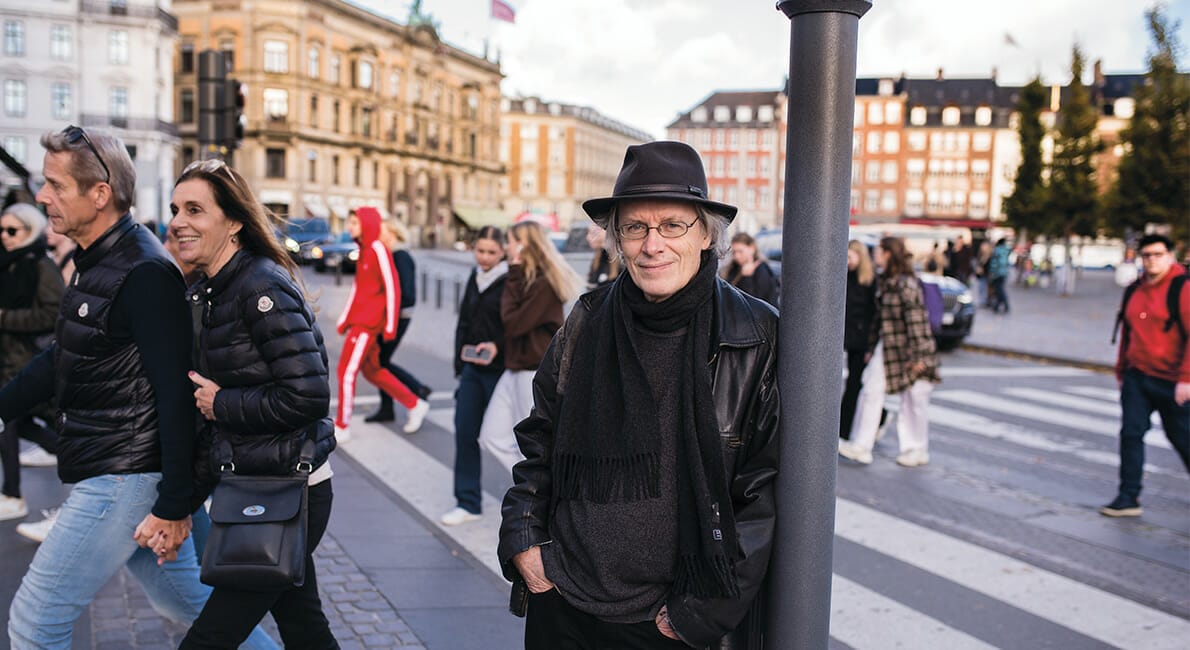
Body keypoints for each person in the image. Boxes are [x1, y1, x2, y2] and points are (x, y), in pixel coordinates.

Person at [498, 141, 779, 649]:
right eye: (635, 227)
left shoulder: (754, 333)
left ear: (706, 235)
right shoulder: (586, 319)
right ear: (618, 240)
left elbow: (764, 492)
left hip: (666, 623)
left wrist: (699, 614)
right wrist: (526, 545)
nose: (653, 244)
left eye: (672, 225)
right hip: (562, 598)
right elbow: (539, 442)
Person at [0, 126, 212, 649]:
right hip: (119, 470)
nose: (42, 196)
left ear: (99, 195)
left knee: (34, 620)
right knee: (187, 606)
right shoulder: (97, 260)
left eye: (55, 185)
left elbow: (175, 391)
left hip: (125, 479)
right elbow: (64, 355)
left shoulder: (143, 271)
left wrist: (174, 502)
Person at [165, 157, 338, 648]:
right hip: (259, 483)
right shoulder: (212, 290)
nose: (179, 221)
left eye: (195, 209)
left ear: (234, 221)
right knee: (304, 626)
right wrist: (182, 503)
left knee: (212, 636)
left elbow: (307, 394)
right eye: (176, 209)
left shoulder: (259, 285)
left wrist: (223, 404)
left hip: (286, 490)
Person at [479, 220, 580, 474]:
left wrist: (512, 274)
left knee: (533, 444)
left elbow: (513, 324)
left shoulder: (543, 283)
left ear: (522, 245)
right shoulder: (526, 278)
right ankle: (534, 486)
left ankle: (538, 496)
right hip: (515, 367)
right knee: (491, 436)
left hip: (534, 372)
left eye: (510, 242)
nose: (507, 247)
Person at [1101, 233, 1189, 517]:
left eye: (1157, 254)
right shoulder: (1134, 289)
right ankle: (1128, 498)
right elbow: (1126, 332)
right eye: (1146, 255)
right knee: (1131, 434)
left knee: (1183, 439)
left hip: (1172, 379)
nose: (1151, 260)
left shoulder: (1182, 288)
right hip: (1137, 376)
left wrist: (1187, 379)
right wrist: (1121, 370)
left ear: (1170, 256)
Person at [840, 236, 941, 467]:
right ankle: (861, 444)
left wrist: (918, 356)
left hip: (907, 349)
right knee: (870, 390)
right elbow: (878, 319)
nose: (874, 254)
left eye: (878, 251)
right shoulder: (887, 281)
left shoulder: (905, 284)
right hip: (888, 347)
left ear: (887, 254)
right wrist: (871, 346)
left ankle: (916, 449)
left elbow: (917, 321)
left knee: (913, 400)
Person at [334, 206, 430, 440]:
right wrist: (345, 318)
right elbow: (359, 289)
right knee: (373, 370)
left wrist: (389, 328)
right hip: (363, 321)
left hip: (369, 324)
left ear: (366, 224)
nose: (350, 228)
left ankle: (342, 425)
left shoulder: (377, 249)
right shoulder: (367, 250)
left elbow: (393, 289)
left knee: (346, 372)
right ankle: (415, 403)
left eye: (355, 223)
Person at [0, 203, 64, 529]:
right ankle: (78, 461)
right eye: (2, 230)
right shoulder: (10, 264)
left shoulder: (40, 265)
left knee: (9, 424)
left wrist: (5, 318)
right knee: (19, 426)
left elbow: (54, 314)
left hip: (27, 361)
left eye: (13, 230)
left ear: (31, 230)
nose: (6, 237)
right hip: (10, 358)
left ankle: (12, 495)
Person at [442, 226, 507, 526]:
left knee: (512, 440)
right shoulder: (474, 277)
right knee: (465, 430)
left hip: (503, 372)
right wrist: (460, 363)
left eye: (491, 252)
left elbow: (518, 327)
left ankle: (536, 503)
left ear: (503, 251)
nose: (484, 257)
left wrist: (498, 347)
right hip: (472, 369)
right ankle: (467, 501)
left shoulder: (511, 280)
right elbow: (463, 322)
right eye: (480, 251)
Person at [365, 219, 432, 423]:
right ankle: (393, 404)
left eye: (382, 231)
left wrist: (387, 311)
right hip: (390, 318)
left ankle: (415, 389)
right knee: (380, 363)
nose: (378, 235)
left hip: (396, 318)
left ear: (392, 234)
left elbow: (407, 294)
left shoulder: (400, 256)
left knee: (379, 363)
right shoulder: (390, 255)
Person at [840, 239, 878, 440]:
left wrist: (870, 345)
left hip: (861, 339)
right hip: (845, 336)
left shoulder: (869, 280)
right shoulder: (843, 275)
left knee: (855, 385)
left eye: (850, 257)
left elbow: (873, 313)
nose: (847, 261)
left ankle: (844, 430)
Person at [721, 232, 779, 306]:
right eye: (734, 252)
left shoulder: (761, 269)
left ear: (752, 248)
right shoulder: (733, 267)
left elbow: (757, 301)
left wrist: (747, 278)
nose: (737, 256)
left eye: (740, 251)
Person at [585, 222, 620, 289]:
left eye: (594, 233)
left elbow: (613, 275)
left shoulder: (617, 255)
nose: (588, 238)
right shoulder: (601, 253)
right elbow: (592, 278)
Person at [987, 238, 1011, 313]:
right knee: (1000, 289)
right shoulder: (1006, 250)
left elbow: (994, 263)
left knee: (999, 290)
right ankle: (997, 306)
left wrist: (992, 272)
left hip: (997, 273)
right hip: (1004, 273)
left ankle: (1004, 305)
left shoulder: (997, 250)